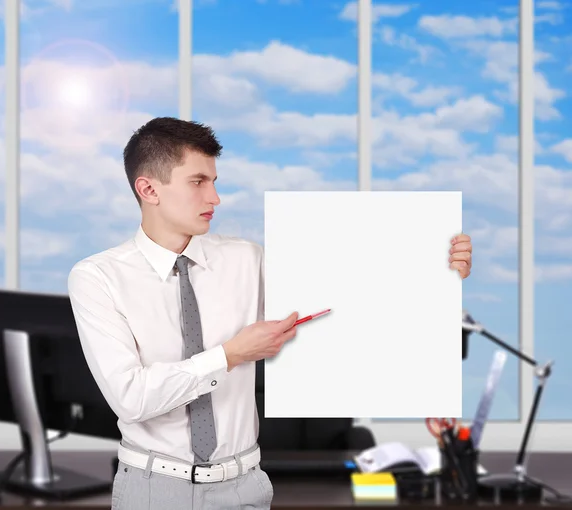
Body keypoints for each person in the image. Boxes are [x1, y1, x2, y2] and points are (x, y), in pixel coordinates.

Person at [67, 117, 473, 510]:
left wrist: (437, 277)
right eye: (198, 182)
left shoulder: (246, 259)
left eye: (214, 181)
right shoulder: (97, 277)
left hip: (246, 486)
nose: (214, 198)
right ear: (148, 189)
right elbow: (131, 398)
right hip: (155, 490)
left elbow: (349, 306)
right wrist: (229, 355)